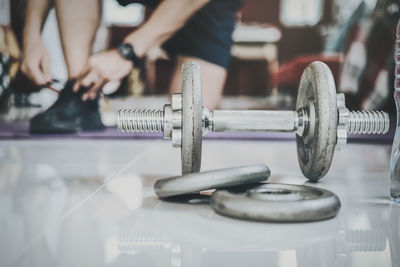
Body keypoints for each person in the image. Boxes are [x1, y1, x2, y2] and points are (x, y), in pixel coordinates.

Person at [20, 0, 244, 133]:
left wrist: (127, 52)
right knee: (186, 125)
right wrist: (30, 37)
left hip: (208, 7)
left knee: (190, 124)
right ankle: (80, 95)